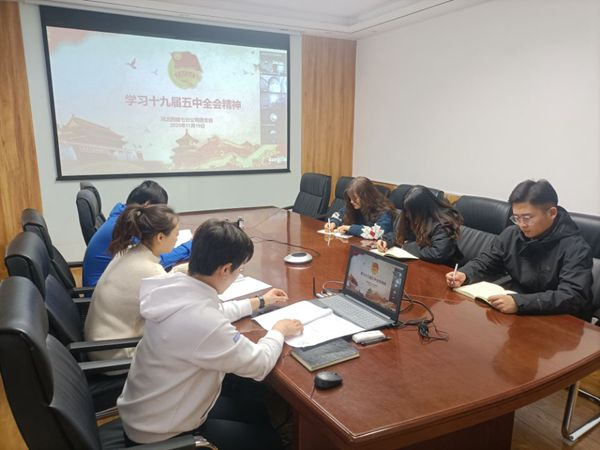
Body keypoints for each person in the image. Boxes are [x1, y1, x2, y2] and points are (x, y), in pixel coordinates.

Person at [117, 219, 303, 448]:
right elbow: (260, 364)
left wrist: (260, 301)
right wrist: (279, 330)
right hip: (162, 436)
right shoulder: (203, 321)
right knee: (269, 441)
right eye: (239, 269)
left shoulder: (175, 285)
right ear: (225, 269)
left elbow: (215, 312)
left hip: (149, 412)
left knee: (255, 409)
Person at [445, 179, 593, 320]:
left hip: (558, 321)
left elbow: (572, 296)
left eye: (527, 218)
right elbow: (486, 262)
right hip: (517, 311)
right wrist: (465, 274)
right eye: (516, 218)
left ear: (552, 213)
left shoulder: (575, 248)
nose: (522, 224)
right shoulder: (512, 234)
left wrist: (519, 302)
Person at [84, 203, 181, 361]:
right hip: (114, 354)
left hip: (99, 343)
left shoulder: (127, 252)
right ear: (160, 237)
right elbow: (172, 316)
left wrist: (178, 272)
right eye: (176, 234)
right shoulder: (150, 271)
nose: (177, 238)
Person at [82, 180, 191, 286]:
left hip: (108, 283)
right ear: (147, 206)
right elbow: (154, 262)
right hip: (98, 288)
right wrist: (190, 246)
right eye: (159, 211)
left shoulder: (121, 217)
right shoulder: (126, 228)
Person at [376, 186, 463, 265]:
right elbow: (399, 234)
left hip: (440, 269)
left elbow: (437, 253)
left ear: (422, 210)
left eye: (411, 211)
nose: (407, 215)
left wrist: (406, 246)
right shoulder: (410, 216)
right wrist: (386, 240)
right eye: (406, 211)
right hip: (416, 263)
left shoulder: (443, 224)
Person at [324, 176, 394, 239]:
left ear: (366, 197)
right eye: (350, 198)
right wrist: (333, 223)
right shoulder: (354, 205)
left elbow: (374, 233)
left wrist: (350, 228)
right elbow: (340, 214)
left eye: (355, 198)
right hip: (354, 242)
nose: (351, 201)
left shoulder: (384, 211)